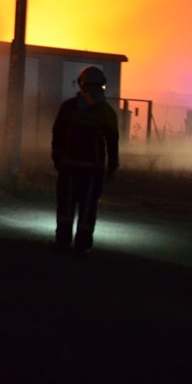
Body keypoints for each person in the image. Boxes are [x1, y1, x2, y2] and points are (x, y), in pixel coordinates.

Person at [50, 66, 119, 254]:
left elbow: (57, 134)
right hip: (92, 171)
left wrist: (57, 158)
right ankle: (83, 244)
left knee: (66, 204)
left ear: (81, 83)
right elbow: (112, 140)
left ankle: (63, 241)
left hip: (69, 167)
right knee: (88, 207)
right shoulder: (106, 112)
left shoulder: (69, 107)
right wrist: (112, 165)